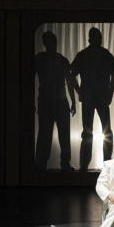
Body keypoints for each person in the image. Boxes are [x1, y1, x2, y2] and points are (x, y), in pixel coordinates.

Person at [70, 28, 114, 171]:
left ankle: (85, 166)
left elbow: (70, 75)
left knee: (88, 133)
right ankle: (106, 165)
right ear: (98, 39)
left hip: (90, 97)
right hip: (101, 97)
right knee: (105, 132)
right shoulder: (104, 54)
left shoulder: (84, 55)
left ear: (89, 39)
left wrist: (79, 92)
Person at [33, 31, 78, 170]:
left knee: (45, 134)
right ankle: (62, 164)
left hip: (48, 101)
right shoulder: (60, 59)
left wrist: (73, 100)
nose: (54, 44)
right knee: (61, 134)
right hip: (58, 101)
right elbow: (69, 81)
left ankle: (42, 164)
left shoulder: (40, 59)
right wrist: (73, 101)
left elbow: (69, 81)